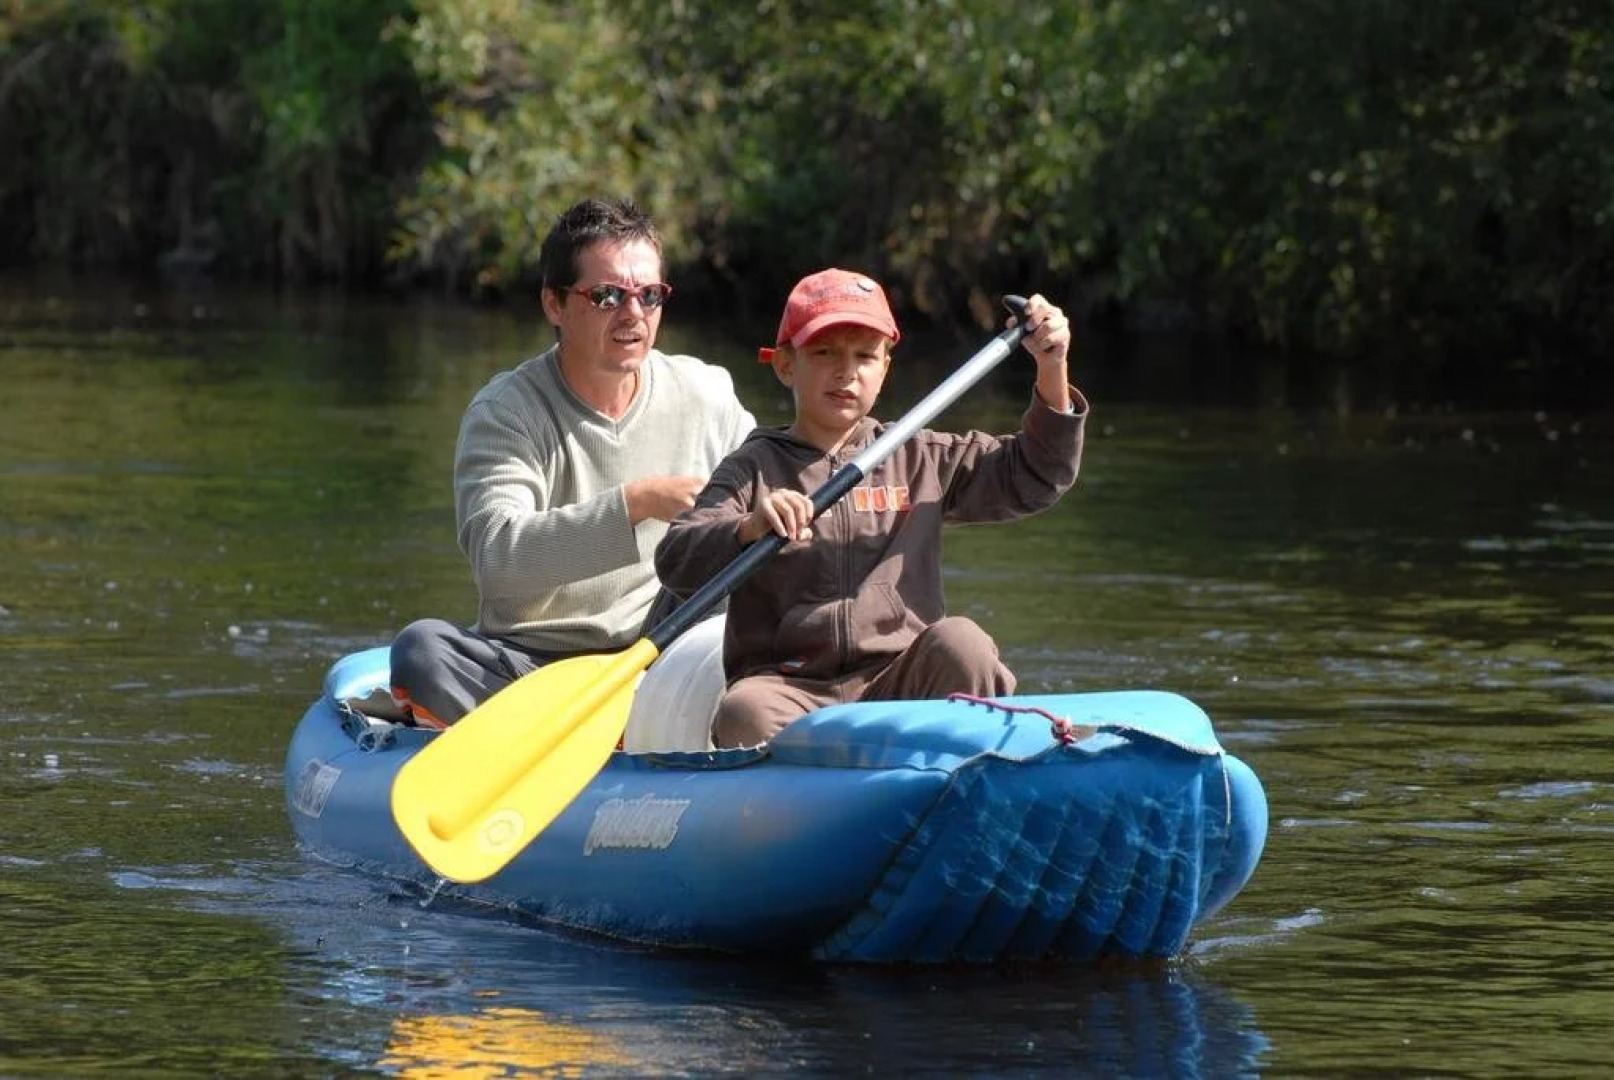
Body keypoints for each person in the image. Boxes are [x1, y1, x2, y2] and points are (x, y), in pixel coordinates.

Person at [653, 268, 1086, 748]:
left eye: (864, 356)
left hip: (898, 677)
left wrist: (1052, 367)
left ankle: (963, 780)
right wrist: (748, 528)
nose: (846, 371)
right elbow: (676, 558)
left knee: (964, 644)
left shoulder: (919, 454)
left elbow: (1036, 476)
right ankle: (796, 806)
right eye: (824, 353)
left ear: (885, 368)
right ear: (784, 365)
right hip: (792, 688)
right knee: (744, 712)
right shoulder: (752, 467)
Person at [388, 197, 756, 728]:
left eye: (649, 296)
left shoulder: (709, 392)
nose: (633, 314)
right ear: (554, 305)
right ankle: (601, 729)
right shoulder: (505, 412)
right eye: (608, 296)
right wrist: (636, 503)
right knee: (422, 652)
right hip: (530, 664)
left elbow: (771, 498)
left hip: (659, 651)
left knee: (733, 579)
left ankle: (640, 720)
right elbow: (498, 562)